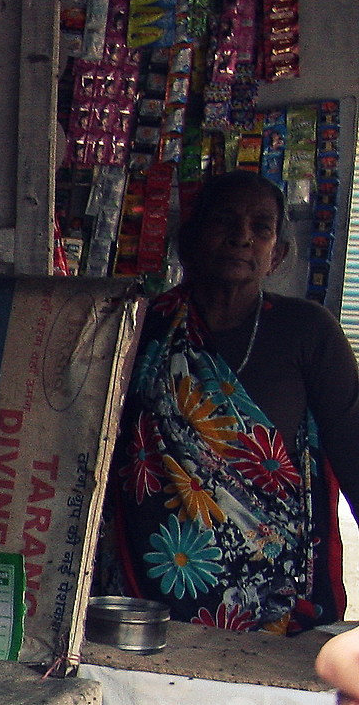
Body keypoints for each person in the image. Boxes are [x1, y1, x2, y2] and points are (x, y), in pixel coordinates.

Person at [108, 170, 359, 633]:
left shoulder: (308, 331)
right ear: (189, 241)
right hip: (148, 592)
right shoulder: (141, 327)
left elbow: (354, 450)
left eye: (261, 227)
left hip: (275, 597)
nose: (242, 237)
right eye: (224, 220)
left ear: (276, 254)